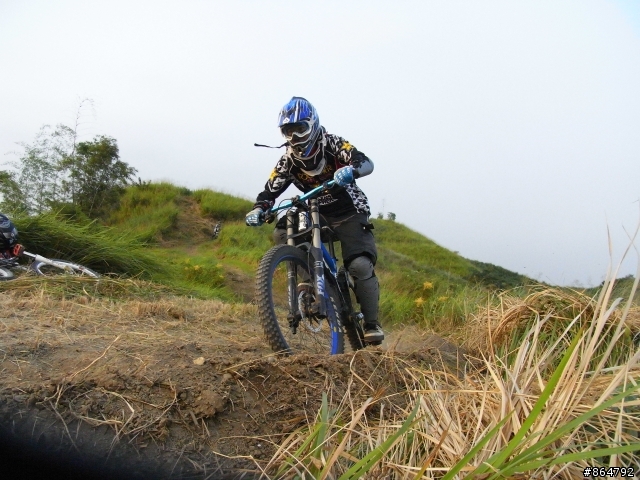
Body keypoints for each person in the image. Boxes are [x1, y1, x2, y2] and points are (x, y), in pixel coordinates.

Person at [245, 97, 384, 343]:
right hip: (313, 208)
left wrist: (351, 169)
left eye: (300, 128)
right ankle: (311, 277)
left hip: (348, 209)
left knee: (360, 265)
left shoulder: (332, 143)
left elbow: (365, 162)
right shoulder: (287, 160)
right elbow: (270, 191)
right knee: (282, 231)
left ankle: (372, 323)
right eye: (288, 131)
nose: (295, 137)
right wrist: (259, 208)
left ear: (313, 124)